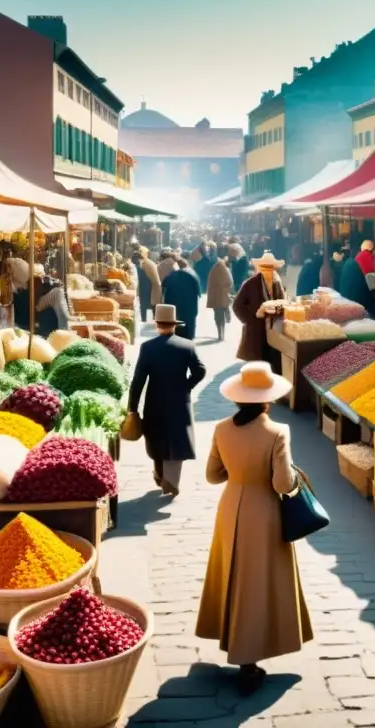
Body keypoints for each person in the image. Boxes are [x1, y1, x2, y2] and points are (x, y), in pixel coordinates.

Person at [195, 362, 313, 695]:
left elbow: (212, 476)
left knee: (230, 573)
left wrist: (239, 472)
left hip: (230, 508)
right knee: (259, 581)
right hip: (264, 513)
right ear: (268, 399)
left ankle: (234, 643)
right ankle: (250, 656)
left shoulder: (221, 429)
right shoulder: (277, 432)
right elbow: (281, 483)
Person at [128, 304, 207, 496]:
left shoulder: (148, 348)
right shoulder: (186, 346)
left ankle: (160, 472)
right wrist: (186, 386)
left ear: (157, 325)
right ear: (174, 325)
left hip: (155, 400)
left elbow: (138, 380)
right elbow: (200, 370)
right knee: (177, 438)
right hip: (180, 401)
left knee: (156, 437)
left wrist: (132, 407)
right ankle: (172, 480)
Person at [233, 252, 285, 367]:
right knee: (256, 365)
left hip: (273, 329)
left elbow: (282, 301)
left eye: (270, 267)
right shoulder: (250, 283)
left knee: (272, 364)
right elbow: (237, 305)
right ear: (259, 268)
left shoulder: (277, 282)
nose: (268, 270)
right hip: (255, 332)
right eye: (264, 267)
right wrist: (250, 320)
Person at [163, 257, 201, 341]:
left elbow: (165, 283)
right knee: (189, 325)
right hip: (190, 305)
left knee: (177, 325)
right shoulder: (192, 273)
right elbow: (198, 290)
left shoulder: (174, 274)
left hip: (175, 304)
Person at [207, 255, 234, 341]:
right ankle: (222, 334)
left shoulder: (216, 268)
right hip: (223, 295)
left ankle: (220, 334)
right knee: (221, 315)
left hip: (215, 296)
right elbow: (229, 282)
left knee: (218, 316)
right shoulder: (223, 269)